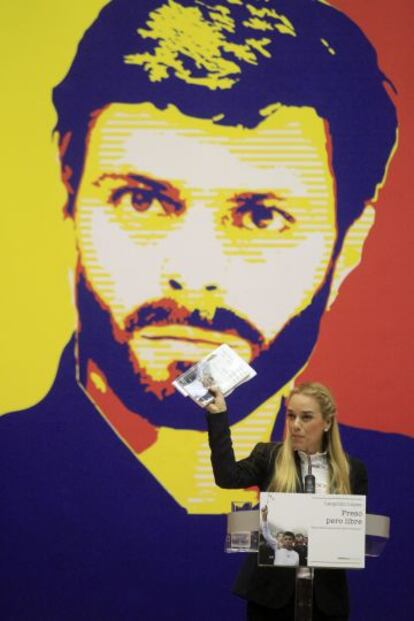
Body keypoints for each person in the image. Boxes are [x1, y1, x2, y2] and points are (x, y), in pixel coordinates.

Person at [0, 2, 412, 620]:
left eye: (262, 217)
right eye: (141, 200)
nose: (193, 274)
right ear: (69, 194)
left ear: (348, 244)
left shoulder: (398, 490)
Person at [205, 382, 368, 620]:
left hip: (325, 599)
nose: (296, 425)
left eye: (306, 417)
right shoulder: (269, 457)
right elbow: (227, 476)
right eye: (291, 416)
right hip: (271, 597)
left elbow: (354, 532)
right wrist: (218, 416)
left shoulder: (352, 470)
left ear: (328, 422)